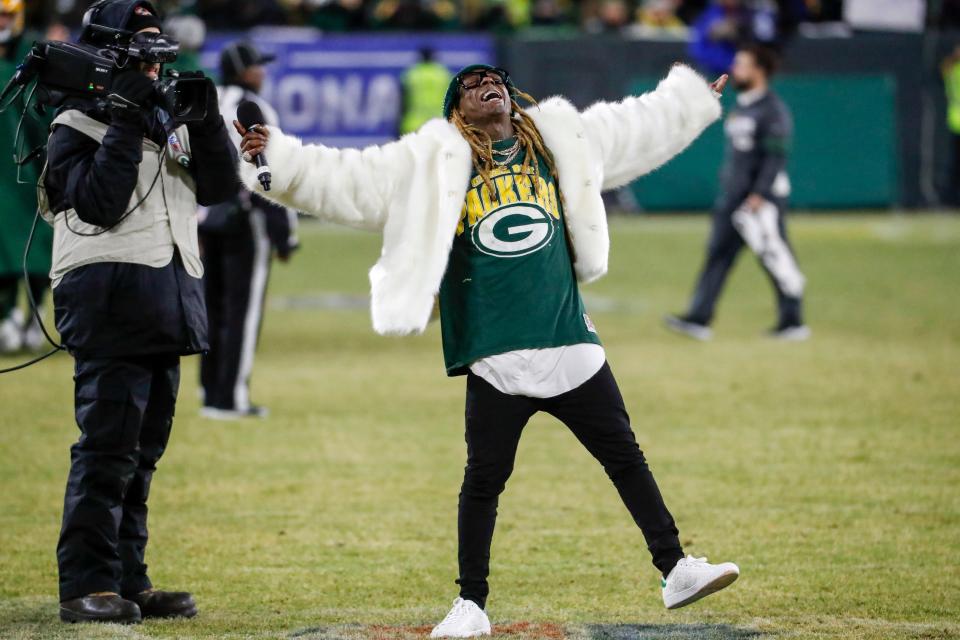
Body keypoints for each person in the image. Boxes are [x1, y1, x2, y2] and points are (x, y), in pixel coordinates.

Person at [236, 61, 740, 637]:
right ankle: (470, 604)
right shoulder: (431, 163)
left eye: (493, 79)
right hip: (494, 353)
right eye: (471, 85)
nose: (485, 85)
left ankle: (675, 568)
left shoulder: (558, 142)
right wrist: (281, 160)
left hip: (566, 339)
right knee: (483, 482)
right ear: (457, 109)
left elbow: (631, 127)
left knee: (626, 458)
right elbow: (350, 176)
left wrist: (688, 100)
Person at [41, 0, 236, 623]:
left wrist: (204, 126)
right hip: (110, 302)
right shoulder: (73, 121)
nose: (154, 59)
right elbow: (98, 203)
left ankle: (129, 579)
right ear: (109, 50)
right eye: (140, 44)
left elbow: (222, 191)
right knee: (106, 449)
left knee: (142, 452)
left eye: (159, 45)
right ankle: (86, 584)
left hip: (162, 298)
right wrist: (124, 115)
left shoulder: (161, 118)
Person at [665, 44, 808, 341]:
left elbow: (776, 156)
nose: (736, 70)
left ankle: (793, 322)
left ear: (760, 70)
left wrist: (759, 193)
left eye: (743, 64)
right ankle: (699, 319)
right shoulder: (744, 105)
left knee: (774, 258)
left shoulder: (772, 109)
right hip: (734, 197)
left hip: (759, 200)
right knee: (717, 255)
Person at [198, 40, 298, 420]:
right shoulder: (256, 108)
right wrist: (284, 234)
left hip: (206, 217)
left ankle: (209, 392)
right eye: (257, 66)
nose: (263, 72)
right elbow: (271, 171)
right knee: (243, 312)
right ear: (243, 70)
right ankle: (230, 398)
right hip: (246, 217)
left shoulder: (206, 99)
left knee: (211, 308)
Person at [0, 0, 53, 354]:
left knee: (40, 252)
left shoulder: (35, 59)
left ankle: (33, 316)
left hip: (29, 173)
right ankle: (6, 318)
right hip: (6, 177)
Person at [689, 0, 778, 75]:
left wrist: (741, 31)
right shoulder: (710, 14)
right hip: (712, 71)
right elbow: (696, 48)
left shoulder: (750, 12)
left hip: (743, 71)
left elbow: (764, 39)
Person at [398, 47, 452, 136]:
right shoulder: (444, 74)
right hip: (439, 124)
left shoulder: (412, 74)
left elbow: (402, 102)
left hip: (414, 124)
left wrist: (398, 123)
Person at [943, 45, 960, 205]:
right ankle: (951, 199)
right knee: (955, 163)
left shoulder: (952, 69)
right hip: (956, 122)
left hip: (955, 121)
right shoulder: (953, 70)